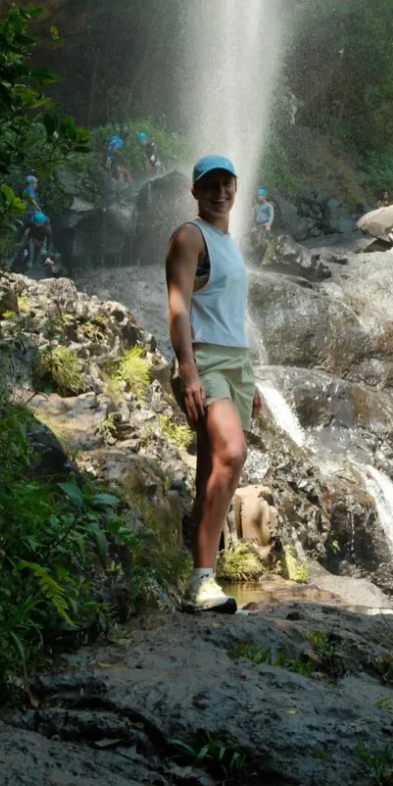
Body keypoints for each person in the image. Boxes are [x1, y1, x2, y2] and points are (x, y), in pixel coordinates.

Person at [165, 154, 262, 614]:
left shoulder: (228, 241)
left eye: (227, 183)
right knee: (233, 452)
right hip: (205, 360)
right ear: (195, 191)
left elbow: (228, 314)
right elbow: (179, 306)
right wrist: (187, 370)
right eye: (210, 185)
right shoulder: (190, 235)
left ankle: (201, 582)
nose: (220, 192)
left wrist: (253, 380)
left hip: (237, 363)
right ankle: (203, 578)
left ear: (236, 187)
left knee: (210, 471)